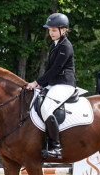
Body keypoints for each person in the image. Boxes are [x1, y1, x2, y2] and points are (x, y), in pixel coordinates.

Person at [25, 13, 76, 159]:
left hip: (65, 84)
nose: (51, 33)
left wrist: (37, 82)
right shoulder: (54, 45)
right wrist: (41, 85)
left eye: (54, 30)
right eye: (50, 30)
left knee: (46, 108)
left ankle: (56, 147)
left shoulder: (65, 46)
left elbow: (56, 69)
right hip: (54, 84)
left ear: (63, 30)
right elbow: (49, 70)